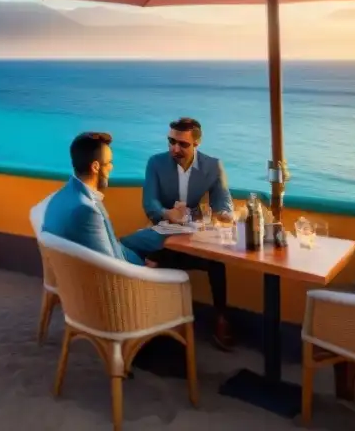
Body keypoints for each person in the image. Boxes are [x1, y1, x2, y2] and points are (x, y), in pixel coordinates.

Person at [121, 117, 236, 349]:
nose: (175, 148)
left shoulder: (213, 166)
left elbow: (224, 203)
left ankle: (221, 318)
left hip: (192, 233)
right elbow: (149, 203)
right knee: (122, 245)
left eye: (182, 144)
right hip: (162, 228)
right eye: (171, 141)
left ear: (196, 144)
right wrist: (167, 213)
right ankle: (130, 310)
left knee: (216, 261)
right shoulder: (156, 163)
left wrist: (223, 214)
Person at [41, 131, 154, 267]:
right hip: (120, 279)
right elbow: (113, 266)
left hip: (74, 273)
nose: (112, 167)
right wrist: (146, 265)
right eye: (109, 163)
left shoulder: (61, 196)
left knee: (145, 238)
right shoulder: (86, 210)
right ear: (95, 167)